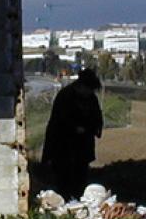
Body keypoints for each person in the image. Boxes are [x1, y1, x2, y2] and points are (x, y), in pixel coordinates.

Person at [41, 68, 104, 199]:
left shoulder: (91, 98)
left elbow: (97, 117)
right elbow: (59, 121)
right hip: (62, 144)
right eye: (89, 90)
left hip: (83, 146)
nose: (90, 93)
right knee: (63, 177)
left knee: (80, 176)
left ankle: (78, 198)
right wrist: (75, 128)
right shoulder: (65, 96)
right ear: (81, 86)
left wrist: (93, 128)